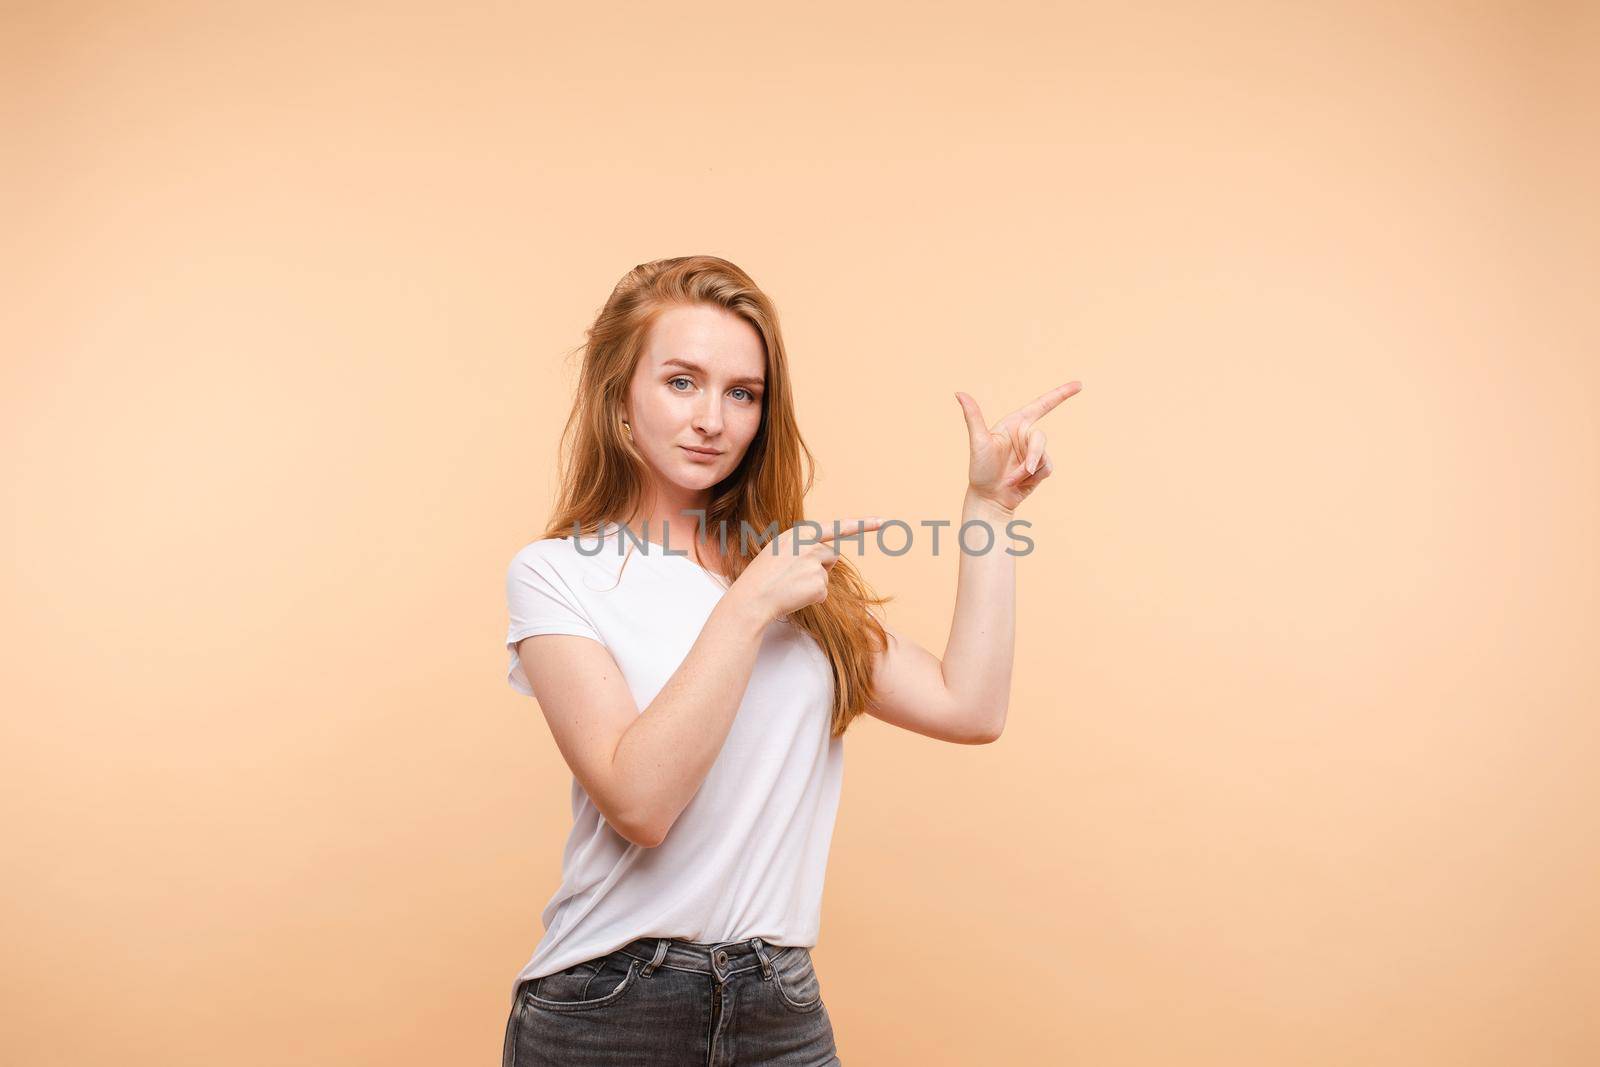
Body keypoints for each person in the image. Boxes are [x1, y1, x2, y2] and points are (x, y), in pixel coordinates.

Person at [500, 254, 1077, 1065]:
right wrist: (746, 606)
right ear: (619, 395)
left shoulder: (784, 572)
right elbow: (640, 802)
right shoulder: (559, 573)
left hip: (779, 1003)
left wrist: (988, 508)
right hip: (611, 1007)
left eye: (743, 393)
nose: (712, 418)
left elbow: (969, 706)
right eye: (681, 381)